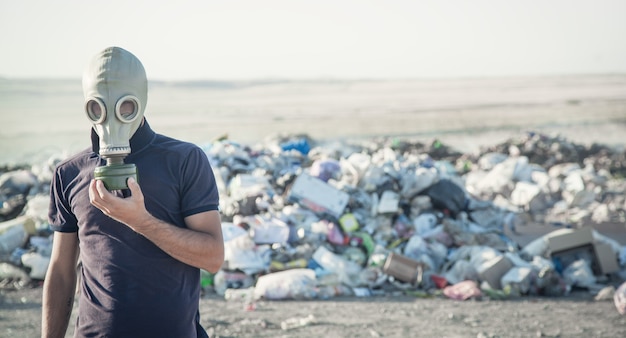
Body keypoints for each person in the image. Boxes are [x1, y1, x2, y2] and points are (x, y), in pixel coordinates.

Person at [42, 46, 224, 338]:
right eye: (98, 106)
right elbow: (61, 270)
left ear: (141, 101)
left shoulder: (184, 161)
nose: (112, 116)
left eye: (124, 105)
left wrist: (141, 221)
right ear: (88, 105)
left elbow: (213, 257)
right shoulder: (70, 173)